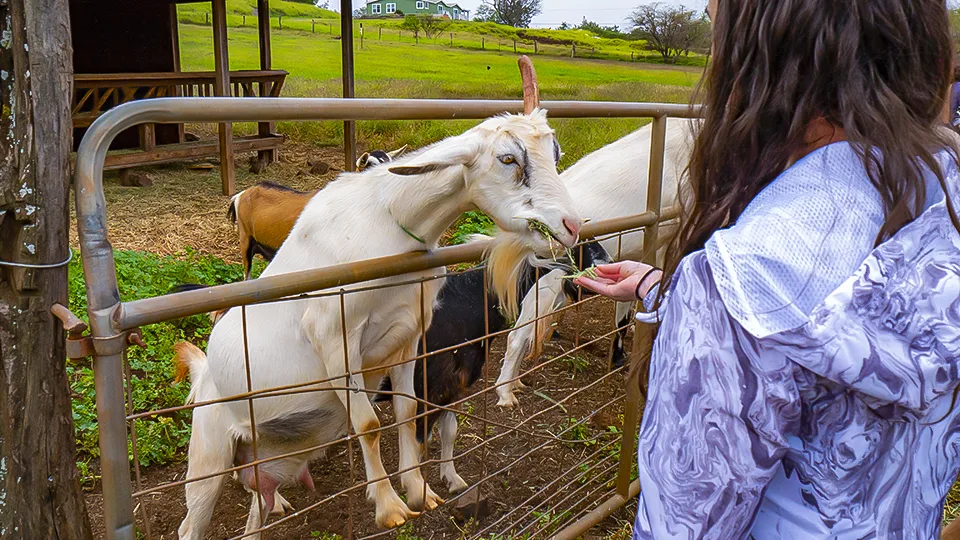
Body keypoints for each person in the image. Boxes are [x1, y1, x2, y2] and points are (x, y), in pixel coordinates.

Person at [575, 1, 960, 538]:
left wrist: (705, 297)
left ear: (765, 62)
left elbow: (684, 526)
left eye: (720, 26)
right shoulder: (945, 196)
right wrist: (664, 288)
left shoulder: (743, 279)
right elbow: (840, 320)